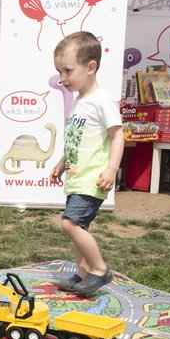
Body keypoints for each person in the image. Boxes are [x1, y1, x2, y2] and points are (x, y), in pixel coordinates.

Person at [48, 31, 125, 297]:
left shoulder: (102, 101)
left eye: (68, 71)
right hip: (76, 178)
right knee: (77, 228)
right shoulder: (80, 101)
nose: (62, 78)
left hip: (93, 179)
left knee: (70, 224)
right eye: (60, 71)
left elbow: (117, 136)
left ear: (90, 67)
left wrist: (111, 169)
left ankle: (98, 269)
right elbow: (76, 140)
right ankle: (81, 275)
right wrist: (61, 162)